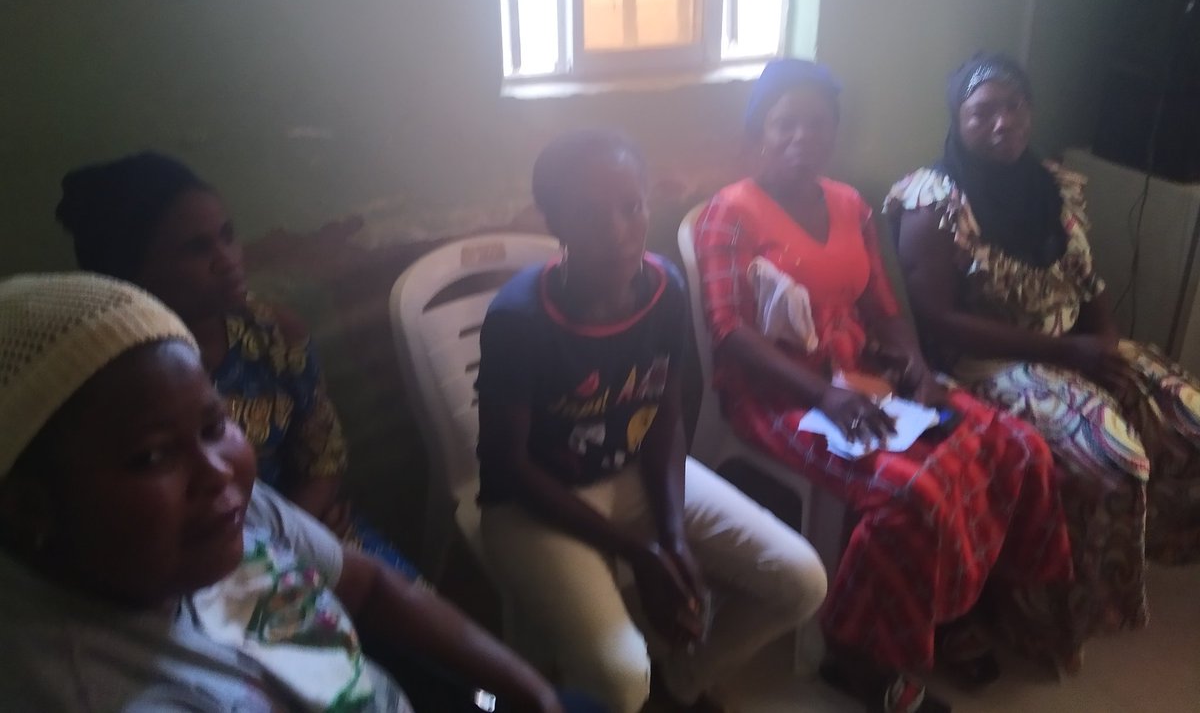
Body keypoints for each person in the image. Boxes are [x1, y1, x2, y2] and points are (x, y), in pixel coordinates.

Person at [0, 272, 604, 713]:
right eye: (151, 456)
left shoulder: (223, 514)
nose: (217, 471)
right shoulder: (87, 688)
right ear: (30, 509)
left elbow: (369, 587)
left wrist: (534, 695)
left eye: (213, 425)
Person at [693, 59, 1074, 713]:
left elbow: (883, 307)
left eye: (818, 124)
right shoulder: (731, 213)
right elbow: (730, 333)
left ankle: (951, 609)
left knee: (1015, 445)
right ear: (758, 133)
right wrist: (825, 396)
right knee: (913, 491)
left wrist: (918, 369)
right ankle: (859, 654)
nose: (802, 138)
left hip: (862, 374)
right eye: (785, 125)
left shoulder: (848, 204)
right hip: (778, 393)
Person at [475, 130, 827, 713]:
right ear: (553, 221)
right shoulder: (521, 319)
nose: (617, 233)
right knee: (619, 677)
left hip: (632, 472)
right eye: (590, 215)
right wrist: (640, 553)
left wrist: (672, 535)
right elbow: (509, 466)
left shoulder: (664, 289)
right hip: (533, 502)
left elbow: (663, 412)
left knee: (801, 582)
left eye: (631, 207)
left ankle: (680, 683)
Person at [885, 52, 1200, 661]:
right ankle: (1054, 617)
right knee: (1112, 459)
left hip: (1072, 345)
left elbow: (1087, 278)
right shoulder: (934, 200)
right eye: (983, 112)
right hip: (987, 365)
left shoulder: (1051, 186)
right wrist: (1066, 352)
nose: (1002, 122)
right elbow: (938, 320)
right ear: (957, 119)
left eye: (1015, 107)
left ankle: (1152, 549)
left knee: (1186, 415)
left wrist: (1108, 347)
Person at [54, 153, 417, 577]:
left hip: (308, 525)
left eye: (227, 236)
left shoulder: (274, 334)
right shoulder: (112, 382)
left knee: (409, 603)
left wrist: (299, 534)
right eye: (196, 248)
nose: (227, 259)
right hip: (191, 568)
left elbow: (323, 456)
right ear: (131, 272)